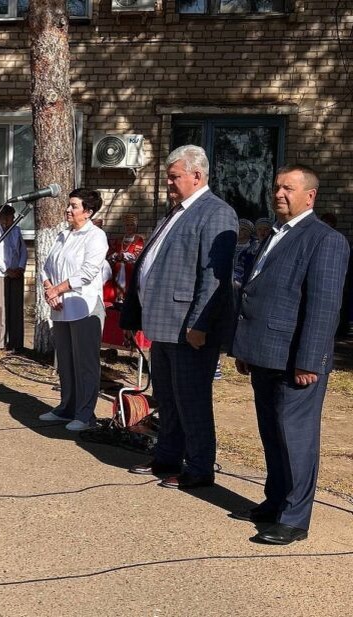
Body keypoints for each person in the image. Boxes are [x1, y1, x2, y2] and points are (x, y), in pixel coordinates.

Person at [231, 165, 349, 545]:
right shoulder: (275, 234)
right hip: (265, 352)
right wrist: (245, 348)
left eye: (289, 188)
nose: (279, 194)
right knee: (272, 433)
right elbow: (259, 290)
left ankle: (295, 519)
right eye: (277, 187)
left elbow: (324, 306)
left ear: (309, 196)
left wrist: (309, 361)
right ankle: (276, 501)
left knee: (295, 436)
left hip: (296, 359)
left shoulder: (324, 240)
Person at [120, 145, 238, 489]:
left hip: (189, 328)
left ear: (197, 176)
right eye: (169, 177)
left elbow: (213, 277)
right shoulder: (174, 212)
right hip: (163, 324)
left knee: (193, 402)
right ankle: (166, 457)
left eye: (175, 177)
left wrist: (199, 324)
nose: (169, 184)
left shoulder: (215, 213)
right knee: (168, 399)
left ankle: (199, 468)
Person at [38, 189, 109, 431]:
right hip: (60, 307)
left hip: (85, 307)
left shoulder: (96, 237)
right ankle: (66, 407)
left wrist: (58, 289)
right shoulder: (63, 235)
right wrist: (50, 290)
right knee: (66, 362)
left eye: (74, 206)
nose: (68, 210)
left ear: (88, 212)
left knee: (86, 363)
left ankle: (85, 414)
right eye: (68, 205)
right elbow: (46, 266)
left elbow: (88, 273)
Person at [0, 204, 28, 352]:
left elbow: (23, 250)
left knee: (15, 306)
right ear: (2, 218)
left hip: (16, 272)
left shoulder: (16, 230)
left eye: (13, 217)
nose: (13, 220)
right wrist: (6, 269)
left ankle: (15, 342)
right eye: (10, 217)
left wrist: (21, 267)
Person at [106, 213, 145, 302]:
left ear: (135, 226)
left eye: (132, 225)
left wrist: (124, 255)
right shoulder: (119, 239)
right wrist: (115, 255)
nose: (129, 227)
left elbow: (137, 255)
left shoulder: (139, 239)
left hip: (131, 269)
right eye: (127, 225)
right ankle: (118, 297)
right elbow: (111, 253)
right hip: (118, 268)